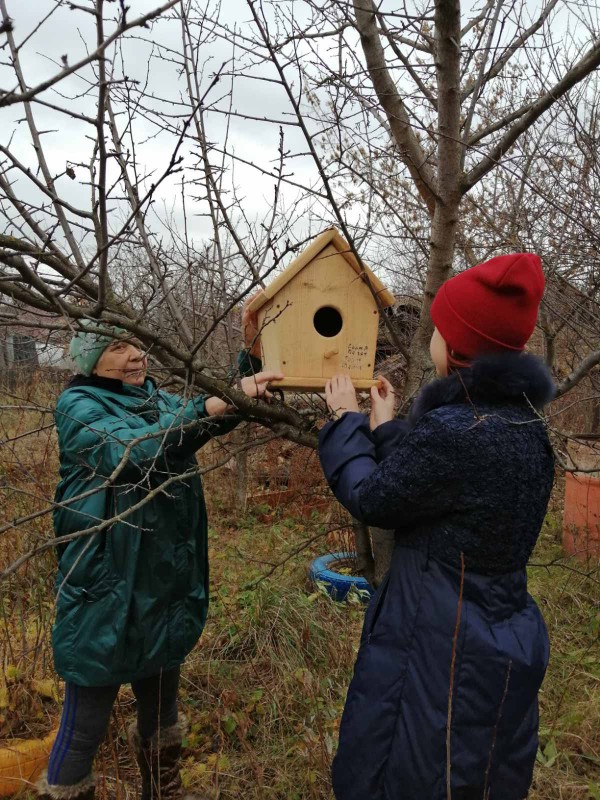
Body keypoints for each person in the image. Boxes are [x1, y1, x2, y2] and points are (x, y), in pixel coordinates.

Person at [318, 253, 555, 800]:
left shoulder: (452, 433)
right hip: (501, 628)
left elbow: (375, 497)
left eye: (441, 328)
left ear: (459, 347)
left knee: (413, 764)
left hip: (436, 634)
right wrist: (386, 431)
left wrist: (345, 424)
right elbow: (452, 491)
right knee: (478, 764)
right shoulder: (523, 425)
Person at [38, 311, 280, 800]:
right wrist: (204, 411)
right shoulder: (78, 406)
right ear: (88, 357)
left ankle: (163, 791)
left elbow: (198, 417)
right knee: (84, 726)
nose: (136, 355)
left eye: (136, 344)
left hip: (162, 583)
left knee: (162, 714)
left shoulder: (151, 398)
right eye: (118, 349)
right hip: (106, 591)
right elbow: (135, 451)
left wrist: (252, 356)